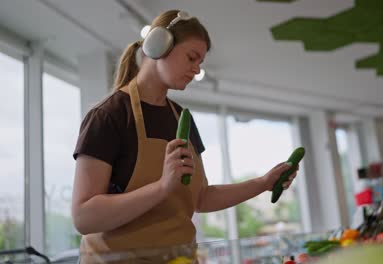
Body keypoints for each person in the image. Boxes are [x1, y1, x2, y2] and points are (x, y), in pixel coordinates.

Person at [71, 9, 299, 263]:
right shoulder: (108, 116)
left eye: (200, 63)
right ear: (158, 46)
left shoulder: (183, 119)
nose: (195, 69)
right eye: (191, 58)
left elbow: (201, 197)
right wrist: (161, 187)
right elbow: (84, 217)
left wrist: (264, 182)